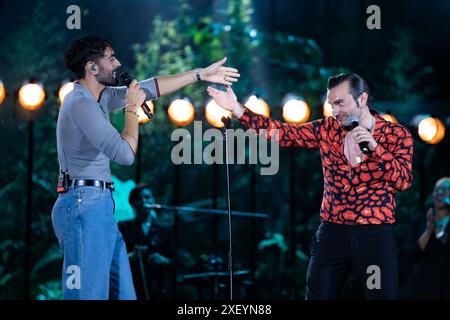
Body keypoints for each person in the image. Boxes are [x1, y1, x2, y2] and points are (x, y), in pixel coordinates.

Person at [51, 35, 240, 300]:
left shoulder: (99, 98)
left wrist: (200, 74)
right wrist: (131, 107)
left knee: (125, 295)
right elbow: (125, 154)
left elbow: (152, 87)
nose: (118, 63)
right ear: (92, 68)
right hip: (83, 206)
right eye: (111, 58)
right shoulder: (80, 103)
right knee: (87, 295)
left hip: (100, 207)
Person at [207, 73, 413, 299]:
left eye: (340, 103)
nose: (335, 111)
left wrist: (375, 148)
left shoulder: (396, 135)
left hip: (374, 236)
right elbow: (282, 134)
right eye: (331, 104)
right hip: (332, 234)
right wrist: (237, 109)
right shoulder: (327, 129)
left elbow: (403, 180)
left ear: (362, 99)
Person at [118, 184, 173, 300]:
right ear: (132, 203)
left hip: (159, 289)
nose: (144, 201)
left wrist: (162, 259)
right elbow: (114, 259)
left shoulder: (164, 229)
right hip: (132, 287)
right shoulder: (124, 227)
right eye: (139, 198)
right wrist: (132, 256)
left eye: (147, 197)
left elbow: (175, 260)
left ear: (153, 200)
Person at [405, 177, 450, 299]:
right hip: (421, 290)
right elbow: (410, 256)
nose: (440, 194)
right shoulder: (419, 220)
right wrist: (429, 231)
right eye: (438, 190)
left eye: (445, 190)